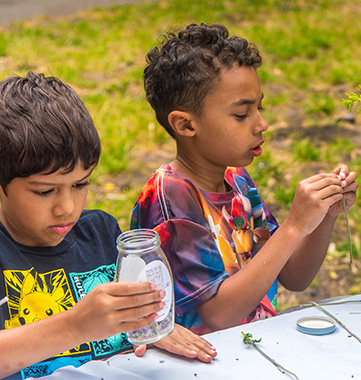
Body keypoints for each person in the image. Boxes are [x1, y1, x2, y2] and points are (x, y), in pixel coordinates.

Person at [131, 23, 358, 335]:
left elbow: (293, 276)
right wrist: (293, 226)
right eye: (242, 115)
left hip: (254, 347)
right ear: (185, 124)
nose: (262, 124)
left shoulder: (237, 180)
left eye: (260, 107)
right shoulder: (170, 195)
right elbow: (220, 314)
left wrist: (322, 216)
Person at [0, 72, 217, 380]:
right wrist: (75, 326)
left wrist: (147, 326)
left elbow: (131, 328)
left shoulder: (101, 234)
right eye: (44, 191)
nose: (67, 207)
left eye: (80, 184)